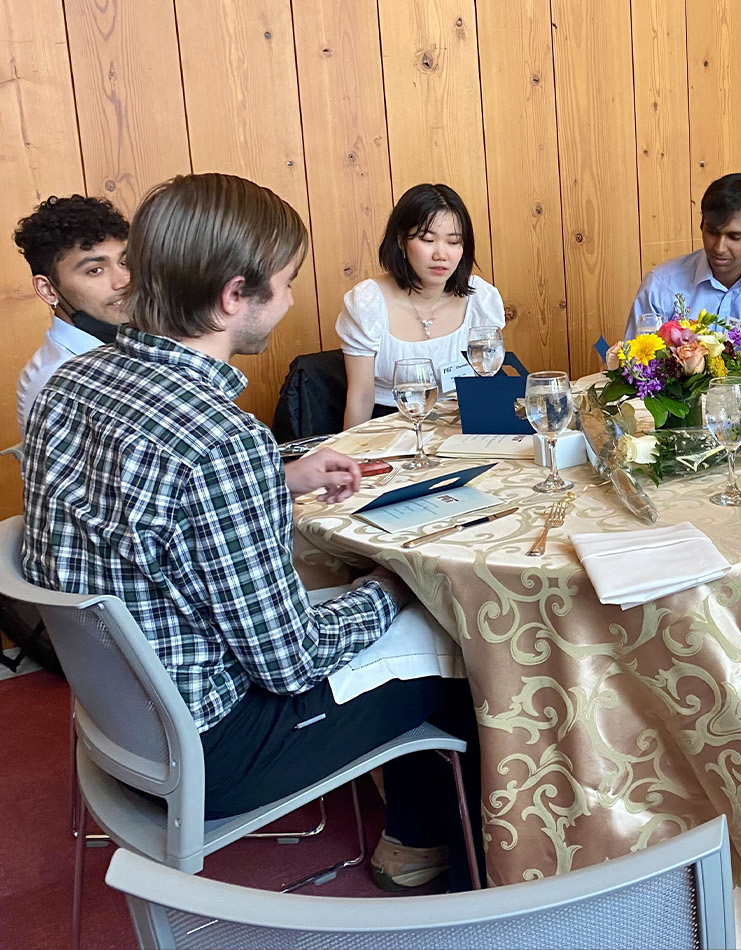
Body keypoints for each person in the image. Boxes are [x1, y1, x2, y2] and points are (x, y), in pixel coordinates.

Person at [21, 172, 480, 892]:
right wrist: (400, 585)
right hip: (214, 749)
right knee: (461, 642)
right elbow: (292, 663)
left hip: (118, 717)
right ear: (235, 295)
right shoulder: (218, 438)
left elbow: (147, 506)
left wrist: (277, 474)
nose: (293, 299)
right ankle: (435, 861)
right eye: (288, 281)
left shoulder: (70, 384)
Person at [339, 183, 506, 429]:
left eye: (453, 242)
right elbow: (361, 398)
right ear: (400, 241)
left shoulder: (481, 299)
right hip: (389, 428)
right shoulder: (368, 303)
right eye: (427, 240)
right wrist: (353, 462)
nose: (441, 254)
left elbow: (488, 384)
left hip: (461, 428)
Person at [626, 173, 741, 374]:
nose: (719, 248)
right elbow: (637, 368)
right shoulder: (660, 285)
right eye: (712, 232)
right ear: (702, 225)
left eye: (734, 237)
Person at [12, 195, 130, 436]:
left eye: (125, 262)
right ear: (48, 289)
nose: (124, 281)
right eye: (94, 270)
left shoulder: (130, 343)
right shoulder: (55, 381)